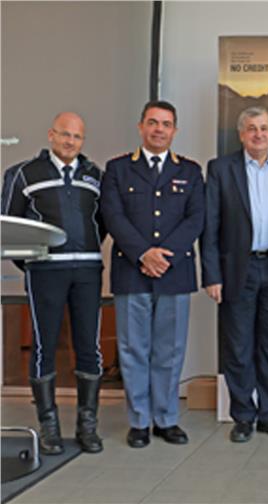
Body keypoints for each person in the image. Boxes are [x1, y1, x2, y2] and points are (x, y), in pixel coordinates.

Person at [201, 106, 268, 443]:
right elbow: (210, 227)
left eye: (264, 128)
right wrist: (211, 275)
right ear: (241, 135)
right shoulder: (221, 169)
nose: (258, 134)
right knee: (237, 347)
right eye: (252, 128)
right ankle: (243, 417)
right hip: (237, 269)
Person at [101, 100, 205, 448]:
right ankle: (139, 422)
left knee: (169, 350)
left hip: (174, 273)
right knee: (133, 349)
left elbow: (196, 218)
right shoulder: (118, 169)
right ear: (141, 126)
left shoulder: (190, 171)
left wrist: (164, 257)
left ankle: (166, 419)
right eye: (153, 122)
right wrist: (144, 254)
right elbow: (113, 216)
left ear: (175, 130)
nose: (159, 129)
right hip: (132, 271)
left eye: (166, 124)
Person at [1, 112, 105, 454]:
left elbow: (102, 224)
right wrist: (34, 262)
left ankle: (87, 427)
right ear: (51, 135)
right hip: (45, 272)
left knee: (89, 346)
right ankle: (49, 428)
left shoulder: (95, 175)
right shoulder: (23, 174)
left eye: (77, 136)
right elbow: (10, 227)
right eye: (65, 134)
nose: (70, 141)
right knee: (44, 345)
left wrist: (86, 251)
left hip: (87, 271)